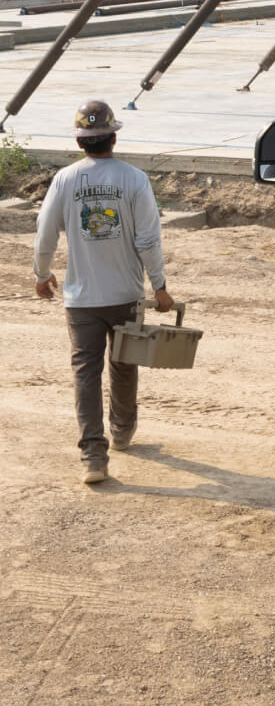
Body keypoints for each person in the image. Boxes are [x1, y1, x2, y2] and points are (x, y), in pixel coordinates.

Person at [33, 100, 176, 485]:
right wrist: (159, 286)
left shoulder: (64, 180)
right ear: (114, 137)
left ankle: (94, 457)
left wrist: (41, 273)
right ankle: (123, 430)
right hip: (126, 294)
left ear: (81, 143)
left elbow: (45, 231)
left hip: (81, 301)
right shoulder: (134, 179)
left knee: (85, 372)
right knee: (123, 363)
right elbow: (148, 238)